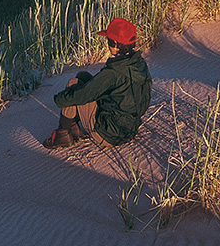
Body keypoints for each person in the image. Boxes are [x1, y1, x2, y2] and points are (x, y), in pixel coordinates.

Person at [42, 17, 152, 149]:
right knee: (83, 76)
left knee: (73, 85)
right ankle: (75, 130)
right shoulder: (139, 64)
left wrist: (59, 99)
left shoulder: (114, 72)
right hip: (129, 129)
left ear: (116, 45)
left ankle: (62, 135)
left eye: (108, 40)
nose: (107, 43)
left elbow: (81, 95)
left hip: (107, 134)